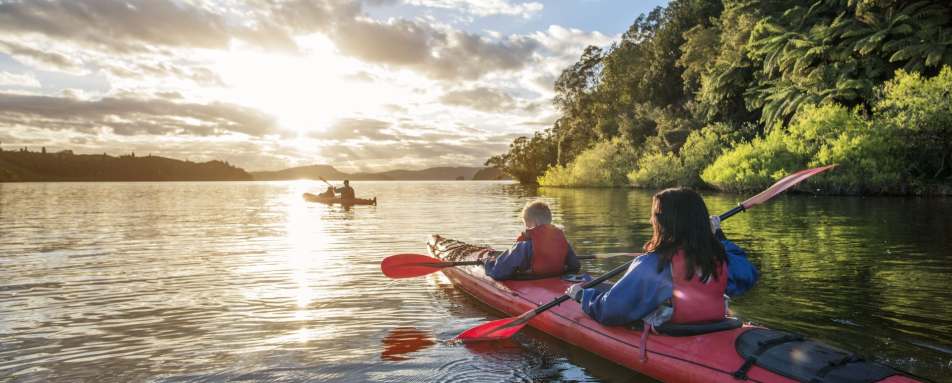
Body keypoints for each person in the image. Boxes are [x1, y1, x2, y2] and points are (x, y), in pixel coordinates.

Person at [565, 187, 758, 328]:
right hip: (715, 326)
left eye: (654, 216)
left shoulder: (652, 264)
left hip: (674, 332)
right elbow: (748, 275)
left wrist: (582, 296)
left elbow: (611, 311)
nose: (651, 220)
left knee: (601, 292)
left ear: (664, 222)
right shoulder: (718, 258)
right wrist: (717, 236)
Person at [483, 200, 581, 280]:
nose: (525, 227)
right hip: (556, 282)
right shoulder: (563, 242)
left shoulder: (523, 246)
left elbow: (498, 273)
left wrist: (487, 262)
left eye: (525, 224)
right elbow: (575, 266)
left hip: (531, 281)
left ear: (532, 223)